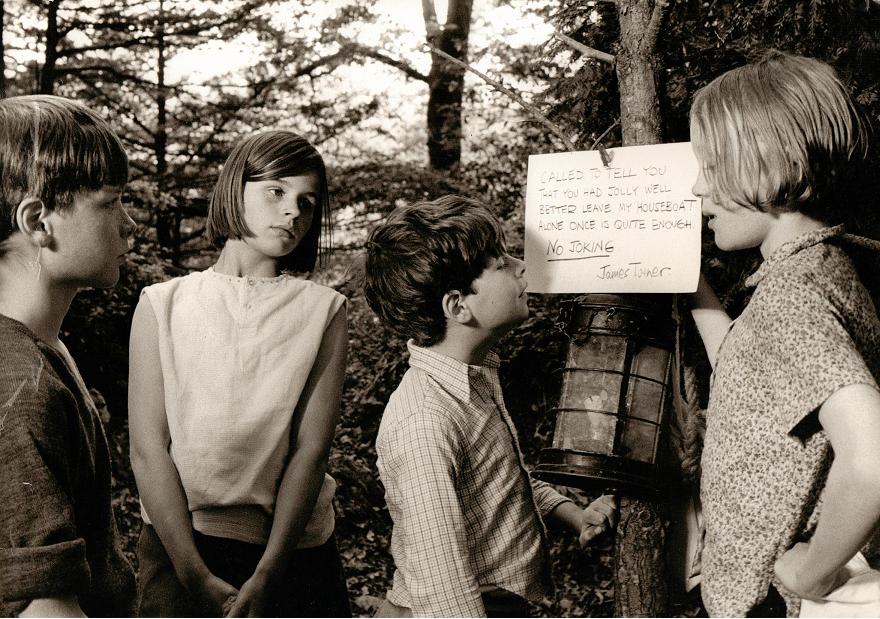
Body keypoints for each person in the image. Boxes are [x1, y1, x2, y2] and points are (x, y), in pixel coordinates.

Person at [687, 51, 880, 617]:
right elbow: (748, 368)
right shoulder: (817, 268)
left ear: (770, 162)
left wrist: (809, 574)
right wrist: (690, 284)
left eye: (711, 165)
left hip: (779, 606)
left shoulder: (791, 297)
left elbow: (876, 462)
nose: (697, 188)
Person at [129, 130, 351, 617]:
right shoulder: (163, 304)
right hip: (179, 547)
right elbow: (148, 449)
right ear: (235, 188)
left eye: (307, 202)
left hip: (293, 553)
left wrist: (270, 572)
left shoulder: (324, 311)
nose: (293, 212)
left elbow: (311, 451)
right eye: (276, 191)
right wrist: (191, 572)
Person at [363, 195, 617, 618]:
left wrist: (573, 515)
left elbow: (499, 487)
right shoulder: (425, 422)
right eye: (501, 264)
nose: (522, 266)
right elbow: (443, 586)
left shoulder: (472, 377)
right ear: (458, 306)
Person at [0, 95, 137, 616]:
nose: (129, 224)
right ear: (38, 221)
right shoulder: (19, 384)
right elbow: (45, 609)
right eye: (110, 202)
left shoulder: (43, 349)